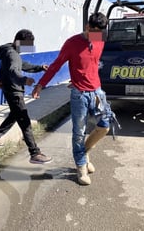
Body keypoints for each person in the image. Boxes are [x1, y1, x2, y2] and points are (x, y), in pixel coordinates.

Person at [32, 12, 112, 185]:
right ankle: (81, 167)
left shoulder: (100, 40)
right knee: (78, 133)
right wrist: (40, 85)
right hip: (80, 95)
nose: (96, 36)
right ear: (87, 27)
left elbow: (93, 63)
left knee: (105, 126)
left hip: (97, 92)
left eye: (100, 32)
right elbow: (56, 65)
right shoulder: (72, 43)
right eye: (94, 32)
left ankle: (85, 150)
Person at [0, 29, 52, 164]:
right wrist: (24, 80)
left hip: (10, 90)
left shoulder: (11, 52)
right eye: (28, 45)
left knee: (14, 115)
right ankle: (34, 153)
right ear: (20, 42)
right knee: (24, 122)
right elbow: (13, 71)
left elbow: (22, 65)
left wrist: (39, 67)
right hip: (14, 91)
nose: (29, 48)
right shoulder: (12, 54)